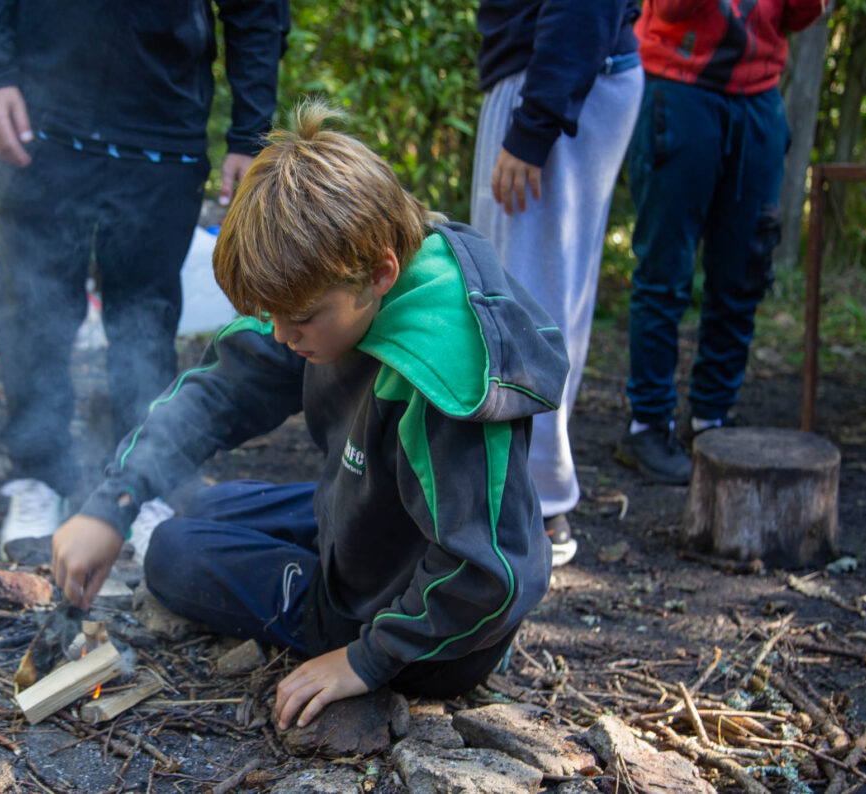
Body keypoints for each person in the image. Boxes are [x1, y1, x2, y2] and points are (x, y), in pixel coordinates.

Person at [51, 101, 570, 729]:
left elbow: (494, 571)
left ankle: (339, 619)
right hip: (378, 524)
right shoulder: (334, 281)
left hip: (426, 634)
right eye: (270, 315)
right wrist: (113, 502)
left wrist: (365, 659)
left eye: (297, 319)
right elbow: (219, 393)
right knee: (205, 506)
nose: (280, 334)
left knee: (170, 550)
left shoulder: (439, 376)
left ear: (380, 272)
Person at [0, 1, 290, 556]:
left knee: (147, 315)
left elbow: (256, 8)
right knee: (31, 298)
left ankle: (140, 484)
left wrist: (251, 133)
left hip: (163, 116)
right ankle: (38, 475)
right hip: (40, 105)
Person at [615, 0, 826, 484]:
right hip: (679, 87)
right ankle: (648, 424)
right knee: (665, 271)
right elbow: (672, 10)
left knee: (744, 272)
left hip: (759, 97)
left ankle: (711, 417)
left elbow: (799, 15)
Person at [471, 0, 644, 565]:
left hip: (555, 74)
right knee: (537, 291)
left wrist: (535, 122)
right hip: (558, 72)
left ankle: (533, 504)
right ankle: (529, 495)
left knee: (525, 301)